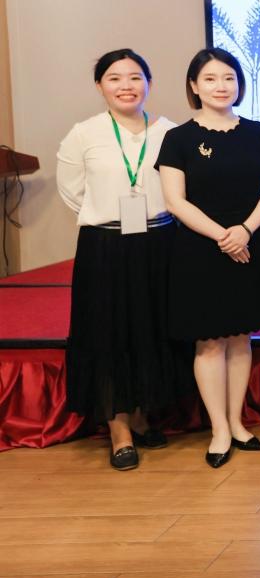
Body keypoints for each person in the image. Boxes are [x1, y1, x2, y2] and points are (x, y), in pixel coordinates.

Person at [56, 48, 183, 470]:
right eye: (114, 78)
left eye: (134, 77)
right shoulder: (84, 134)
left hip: (160, 243)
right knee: (108, 332)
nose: (125, 86)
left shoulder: (169, 132)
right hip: (105, 247)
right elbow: (72, 191)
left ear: (149, 83)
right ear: (100, 86)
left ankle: (143, 413)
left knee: (151, 328)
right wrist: (108, 215)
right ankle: (119, 429)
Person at [156, 48, 260, 468]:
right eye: (210, 79)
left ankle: (238, 422)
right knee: (209, 342)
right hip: (200, 249)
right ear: (194, 86)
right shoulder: (178, 139)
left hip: (251, 243)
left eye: (229, 78)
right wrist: (223, 236)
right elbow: (175, 201)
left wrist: (245, 230)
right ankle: (219, 430)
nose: (221, 86)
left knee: (241, 337)